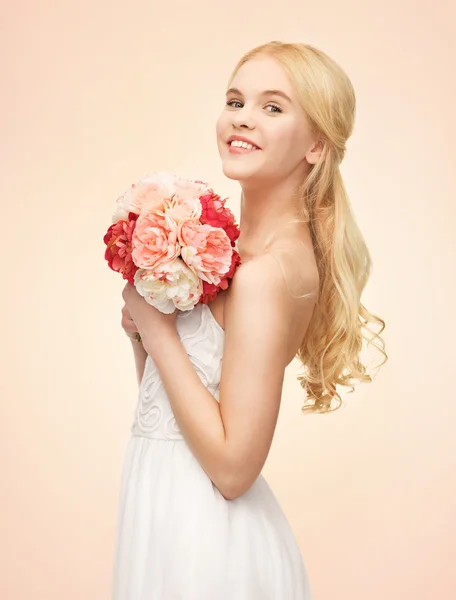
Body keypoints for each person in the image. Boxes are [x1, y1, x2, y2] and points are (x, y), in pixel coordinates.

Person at [111, 40, 387, 599]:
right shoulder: (232, 253)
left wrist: (160, 331)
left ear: (316, 144)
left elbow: (234, 471)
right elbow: (173, 413)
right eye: (236, 100)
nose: (243, 118)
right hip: (164, 511)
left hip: (208, 544)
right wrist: (144, 335)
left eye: (273, 107)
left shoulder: (268, 273)